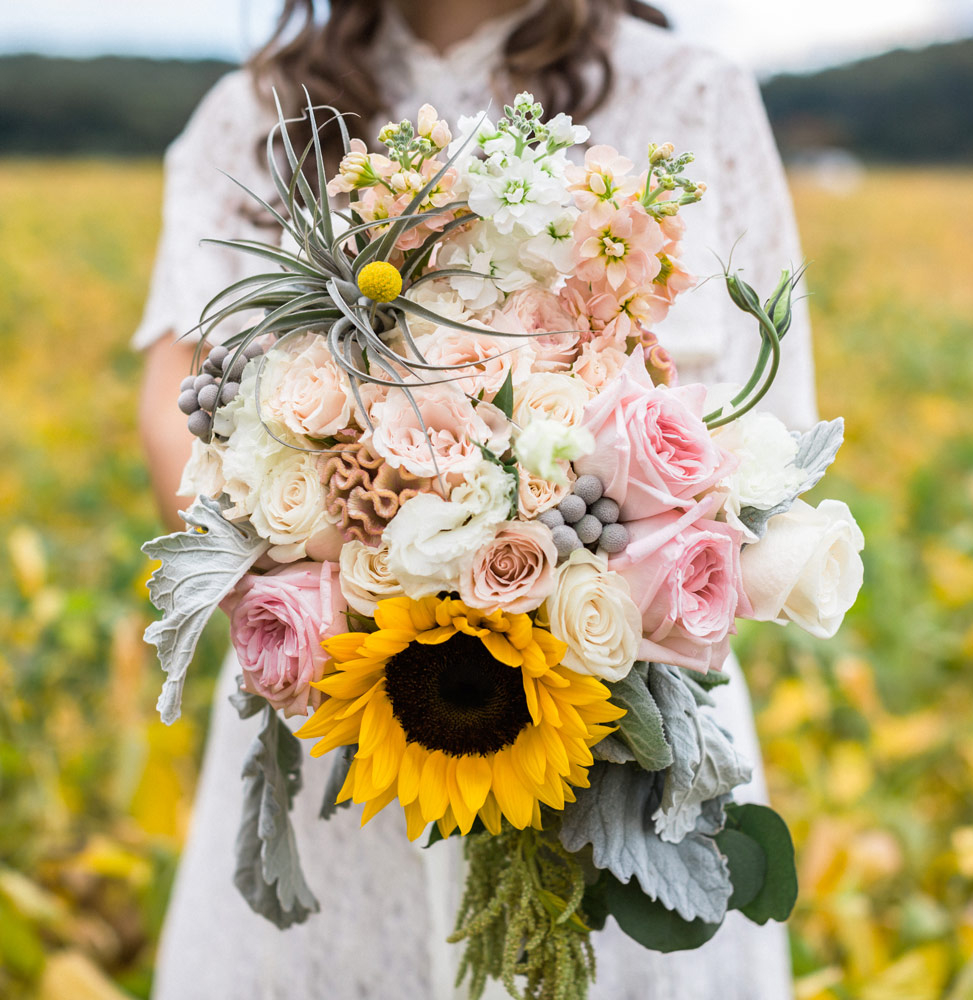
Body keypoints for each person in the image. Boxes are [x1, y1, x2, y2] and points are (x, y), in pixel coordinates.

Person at [136, 1, 817, 997]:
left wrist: (568, 600)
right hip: (335, 711)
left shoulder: (694, 93)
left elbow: (772, 434)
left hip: (613, 732)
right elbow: (175, 393)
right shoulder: (250, 112)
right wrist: (321, 580)